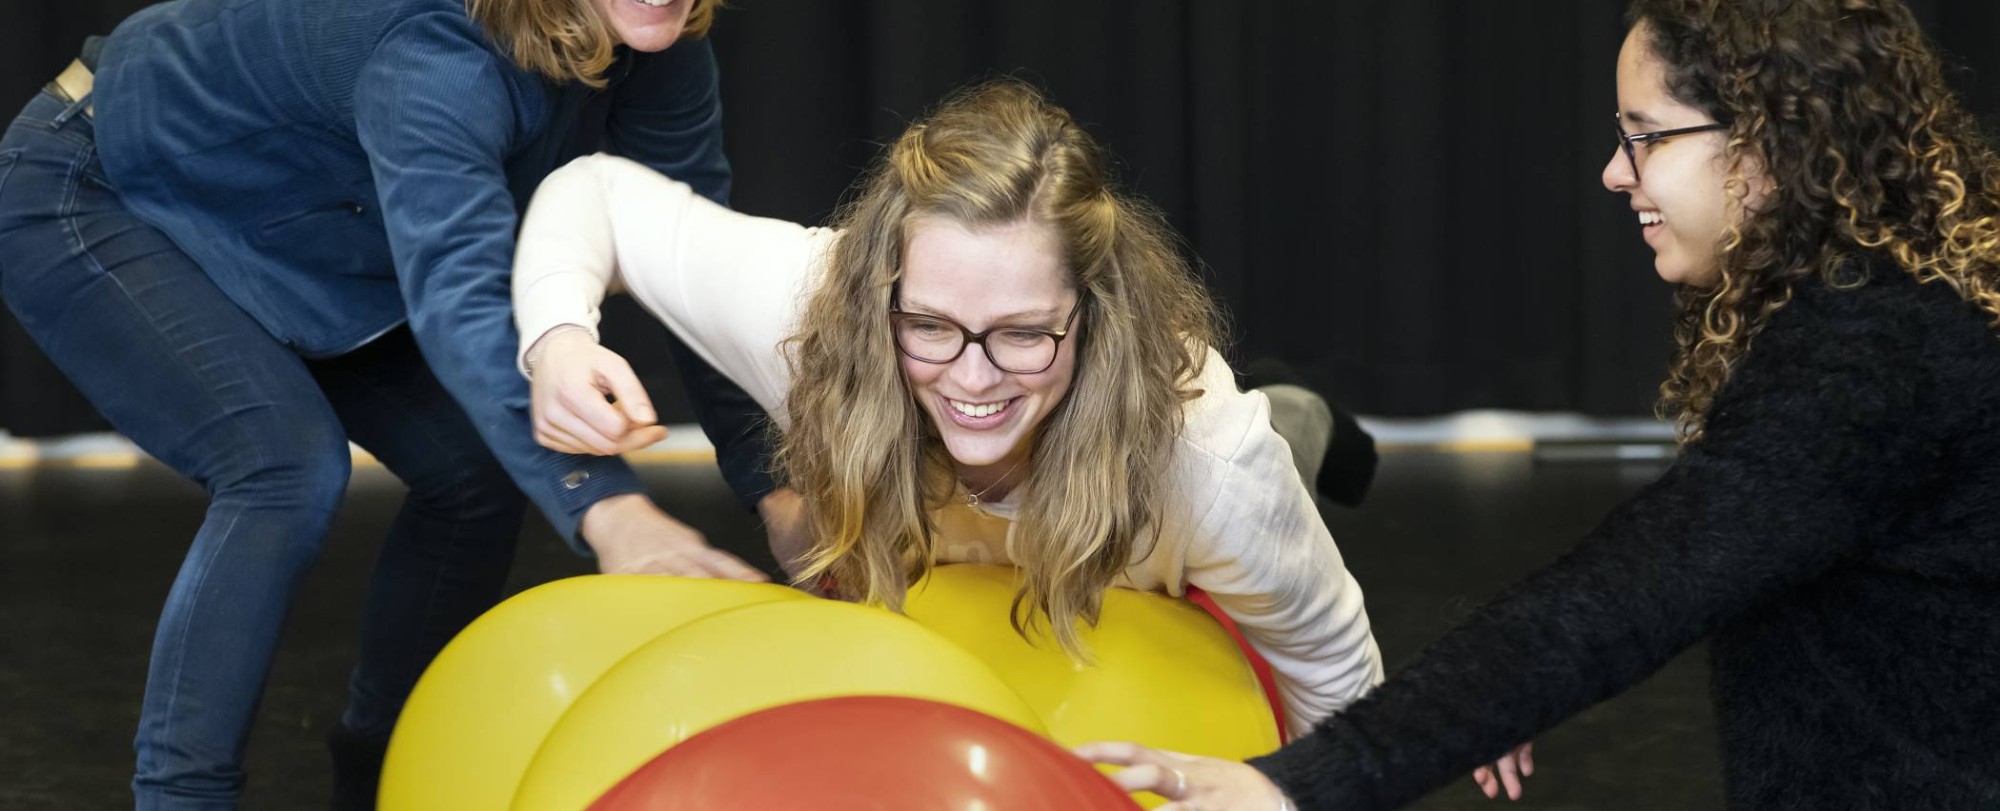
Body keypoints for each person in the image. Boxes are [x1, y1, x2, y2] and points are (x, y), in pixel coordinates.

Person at [1074, 0, 2000, 808]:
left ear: (1767, 140)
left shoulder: (1877, 353)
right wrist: (1494, 696)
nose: (1614, 170)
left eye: (1646, 135)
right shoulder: (1897, 310)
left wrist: (1293, 780)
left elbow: (1633, 590)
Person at [0, 0, 782, 807]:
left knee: (480, 472)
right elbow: (460, 298)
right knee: (283, 466)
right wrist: (612, 510)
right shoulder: (440, 47)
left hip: (300, 227)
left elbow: (697, 272)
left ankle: (384, 776)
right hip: (99, 180)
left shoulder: (657, 37)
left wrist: (779, 490)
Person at [513, 80, 1386, 736]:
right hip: (939, 611)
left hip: (1170, 566)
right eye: (930, 324)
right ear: (877, 297)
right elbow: (596, 195)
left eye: (1021, 333)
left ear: (1094, 314)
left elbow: (1331, 664)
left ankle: (1302, 410)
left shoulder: (1207, 458)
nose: (972, 378)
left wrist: (1411, 740)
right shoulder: (820, 315)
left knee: (1275, 451)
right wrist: (558, 339)